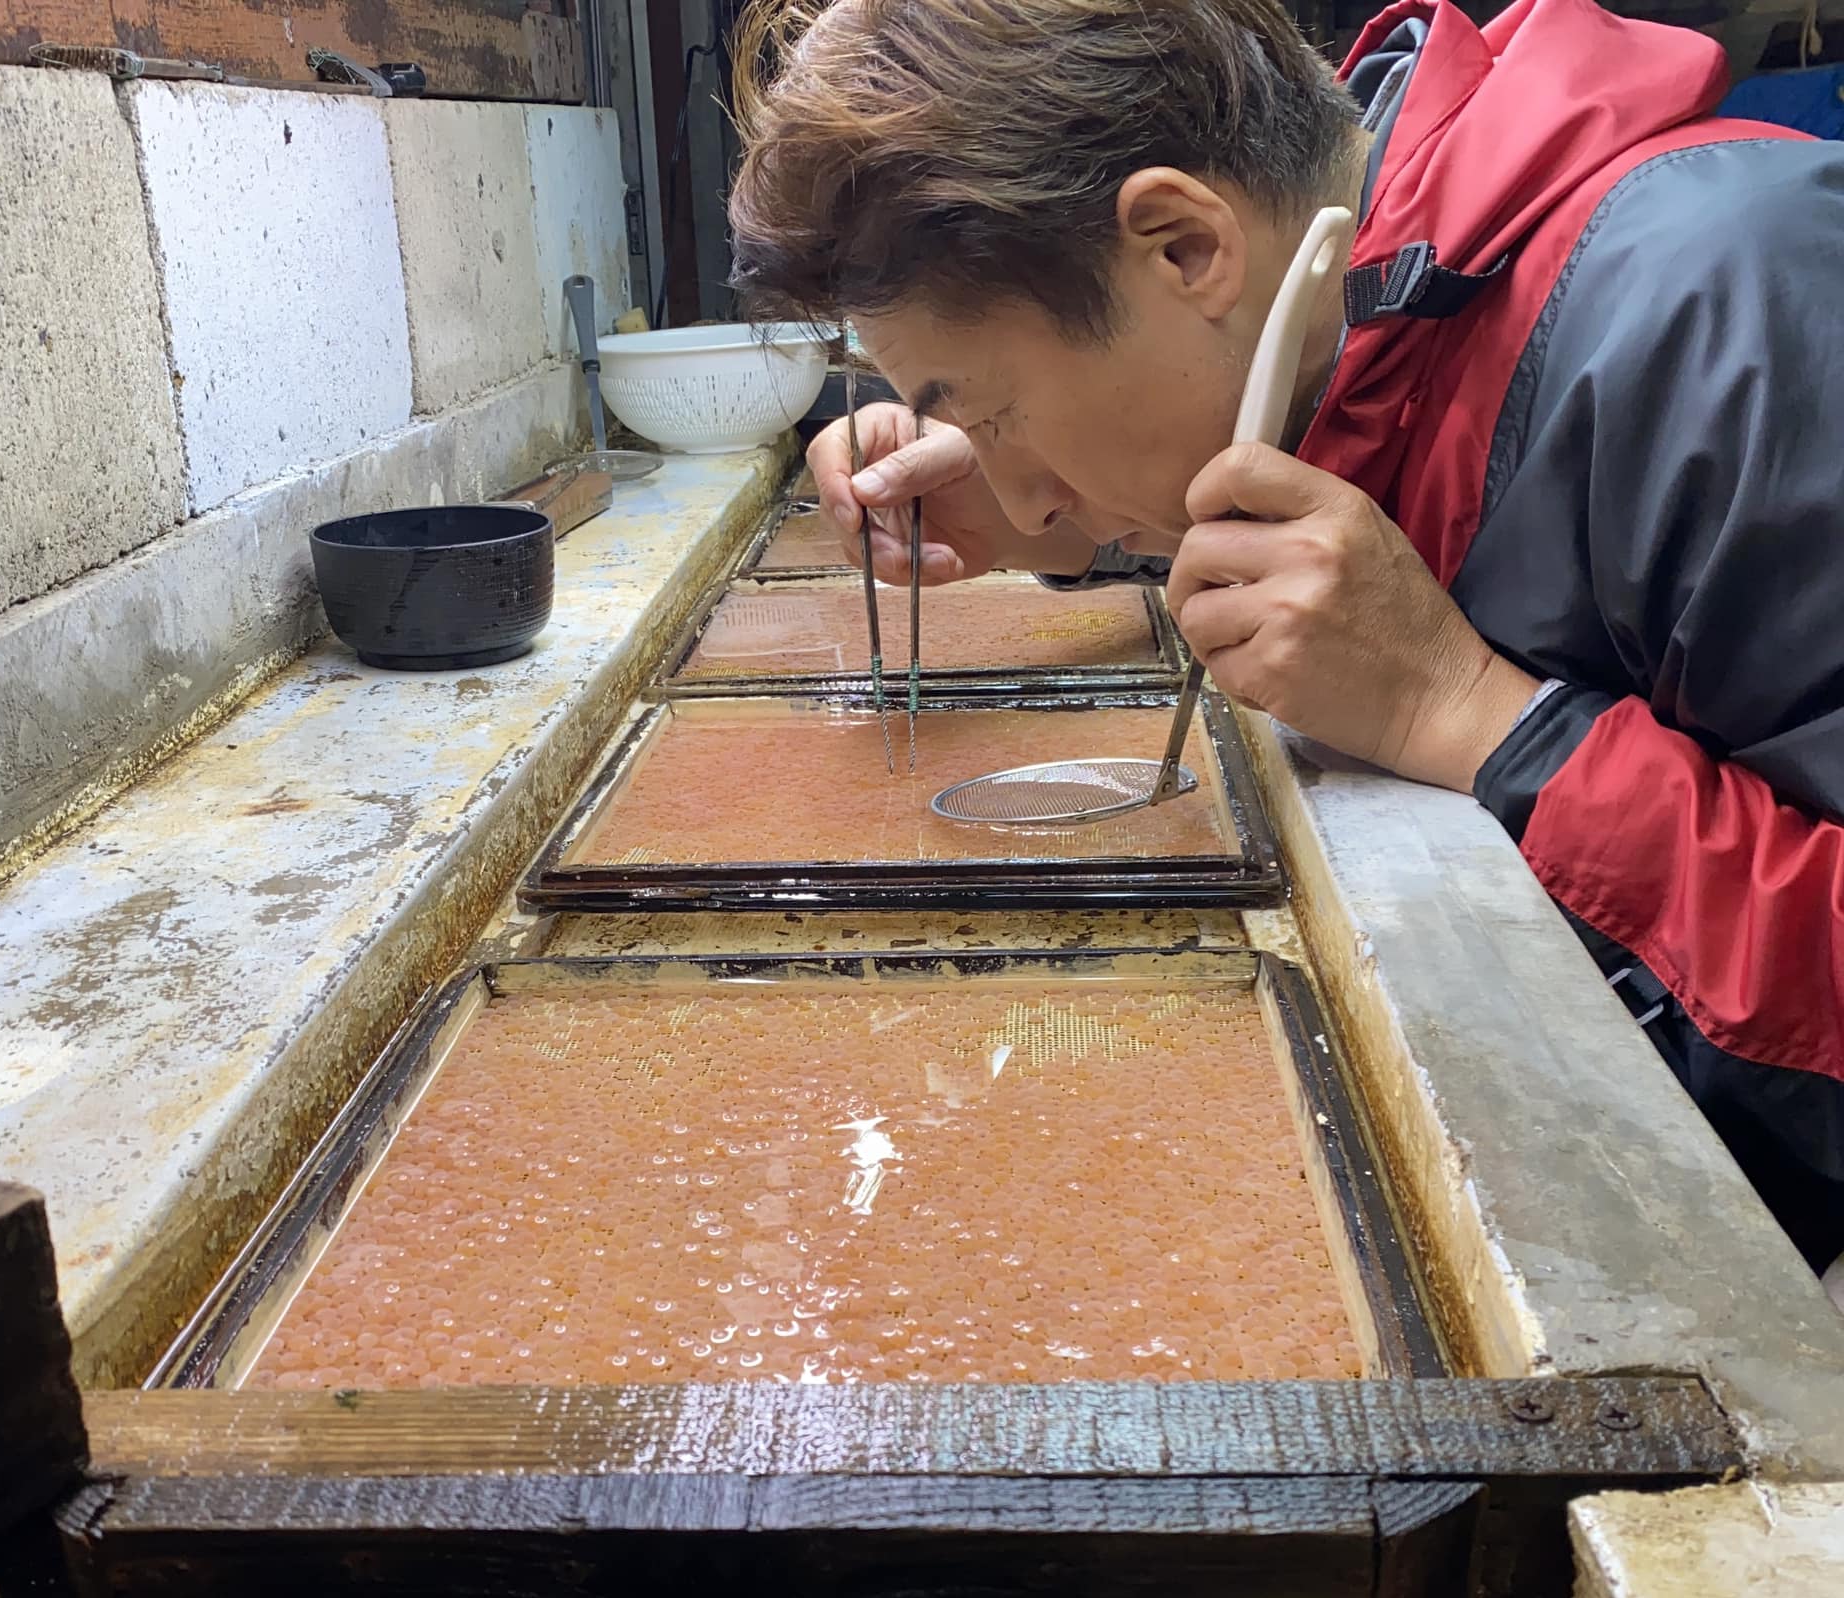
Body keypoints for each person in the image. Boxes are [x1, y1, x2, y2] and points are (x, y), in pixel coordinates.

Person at [726, 0, 1844, 1286]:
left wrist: (1467, 714)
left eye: (990, 403)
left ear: (1183, 243)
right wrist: (1049, 512)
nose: (1007, 473)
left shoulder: (1730, 308)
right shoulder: (1357, 315)